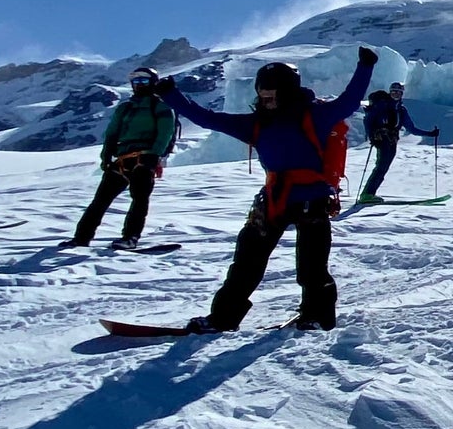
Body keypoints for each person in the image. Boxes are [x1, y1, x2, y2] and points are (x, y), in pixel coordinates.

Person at [159, 49, 376, 330]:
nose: (264, 96)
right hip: (274, 198)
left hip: (311, 200)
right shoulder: (257, 123)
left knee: (312, 267)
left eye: (270, 92)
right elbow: (207, 119)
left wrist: (365, 65)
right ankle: (224, 318)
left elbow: (348, 102)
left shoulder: (315, 115)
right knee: (246, 262)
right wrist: (171, 95)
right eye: (261, 92)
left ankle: (317, 317)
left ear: (287, 90)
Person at [66, 68, 179, 248]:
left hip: (144, 159)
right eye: (136, 82)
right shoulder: (125, 107)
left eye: (143, 81)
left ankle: (130, 238)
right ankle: (81, 238)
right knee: (100, 200)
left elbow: (165, 132)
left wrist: (154, 155)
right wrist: (106, 156)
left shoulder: (161, 107)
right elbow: (112, 133)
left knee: (139, 199)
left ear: (152, 83)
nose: (139, 85)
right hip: (121, 159)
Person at [356, 80, 438, 203]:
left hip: (392, 140)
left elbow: (412, 129)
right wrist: (372, 136)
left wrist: (429, 134)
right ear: (390, 92)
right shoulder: (382, 105)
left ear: (401, 94)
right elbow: (368, 120)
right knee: (381, 166)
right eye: (393, 92)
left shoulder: (401, 110)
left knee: (383, 167)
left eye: (398, 92)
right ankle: (367, 194)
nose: (396, 94)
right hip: (382, 138)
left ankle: (369, 194)